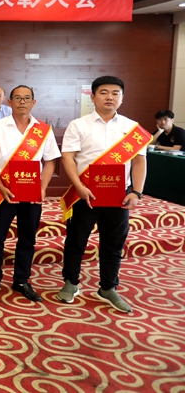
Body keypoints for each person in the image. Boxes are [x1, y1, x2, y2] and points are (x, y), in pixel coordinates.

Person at [58, 76, 150, 313]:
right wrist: (79, 186)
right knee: (76, 241)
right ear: (93, 96)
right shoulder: (78, 125)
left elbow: (139, 161)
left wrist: (137, 192)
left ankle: (108, 287)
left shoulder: (131, 128)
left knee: (113, 243)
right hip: (84, 194)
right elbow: (68, 158)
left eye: (115, 93)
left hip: (119, 197)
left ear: (122, 97)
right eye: (104, 92)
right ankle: (71, 282)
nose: (110, 97)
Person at [0, 85, 60, 302]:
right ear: (10, 102)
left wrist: (42, 188)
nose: (22, 102)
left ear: (34, 102)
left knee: (27, 238)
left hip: (32, 195)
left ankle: (22, 280)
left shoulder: (43, 130)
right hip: (4, 192)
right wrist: (0, 186)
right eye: (17, 98)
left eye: (26, 98)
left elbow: (50, 161)